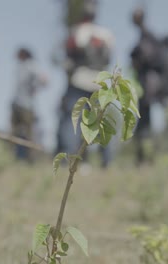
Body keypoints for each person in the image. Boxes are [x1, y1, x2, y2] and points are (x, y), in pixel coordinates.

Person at [55, 0, 115, 168]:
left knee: (72, 121)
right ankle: (107, 162)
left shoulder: (76, 32)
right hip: (100, 84)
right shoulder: (106, 34)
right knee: (102, 121)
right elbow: (108, 58)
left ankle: (69, 160)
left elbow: (67, 58)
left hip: (79, 81)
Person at [130, 7, 168, 165]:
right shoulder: (155, 45)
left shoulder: (154, 45)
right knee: (145, 124)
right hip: (151, 89)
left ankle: (149, 158)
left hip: (152, 89)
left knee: (150, 124)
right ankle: (145, 159)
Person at [11, 48, 47, 162]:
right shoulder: (20, 66)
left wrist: (34, 89)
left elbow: (44, 80)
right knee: (16, 133)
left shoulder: (31, 65)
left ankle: (30, 159)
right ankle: (18, 158)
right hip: (17, 103)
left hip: (27, 105)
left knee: (29, 133)